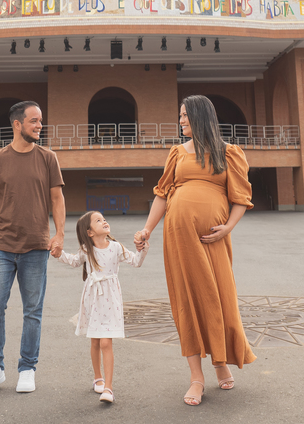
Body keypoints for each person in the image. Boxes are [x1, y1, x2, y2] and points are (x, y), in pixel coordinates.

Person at [134, 95, 256, 406]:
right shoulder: (176, 153)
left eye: (186, 116)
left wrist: (227, 228)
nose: (181, 121)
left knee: (217, 296)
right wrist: (147, 229)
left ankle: (220, 362)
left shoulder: (229, 153)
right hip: (179, 238)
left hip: (213, 239)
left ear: (201, 117)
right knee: (187, 300)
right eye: (180, 116)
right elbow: (162, 195)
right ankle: (196, 377)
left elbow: (241, 198)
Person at [0, 101, 65, 395]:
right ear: (17, 124)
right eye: (34, 121)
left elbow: (57, 199)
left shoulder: (48, 158)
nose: (39, 126)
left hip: (36, 245)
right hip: (2, 245)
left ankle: (27, 368)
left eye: (41, 121)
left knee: (32, 310)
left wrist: (60, 234)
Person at [55, 211, 147, 404]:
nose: (104, 221)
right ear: (89, 232)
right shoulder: (86, 250)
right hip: (93, 299)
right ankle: (98, 377)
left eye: (104, 219)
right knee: (95, 341)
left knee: (106, 342)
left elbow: (136, 262)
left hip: (111, 300)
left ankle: (109, 388)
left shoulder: (115, 247)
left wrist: (142, 248)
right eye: (98, 221)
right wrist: (58, 254)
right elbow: (72, 261)